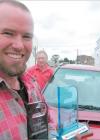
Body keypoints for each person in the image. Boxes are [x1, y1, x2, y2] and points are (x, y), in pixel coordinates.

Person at [0, 0, 50, 139]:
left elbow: (47, 125)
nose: (19, 45)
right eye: (8, 33)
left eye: (27, 36)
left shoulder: (32, 84)